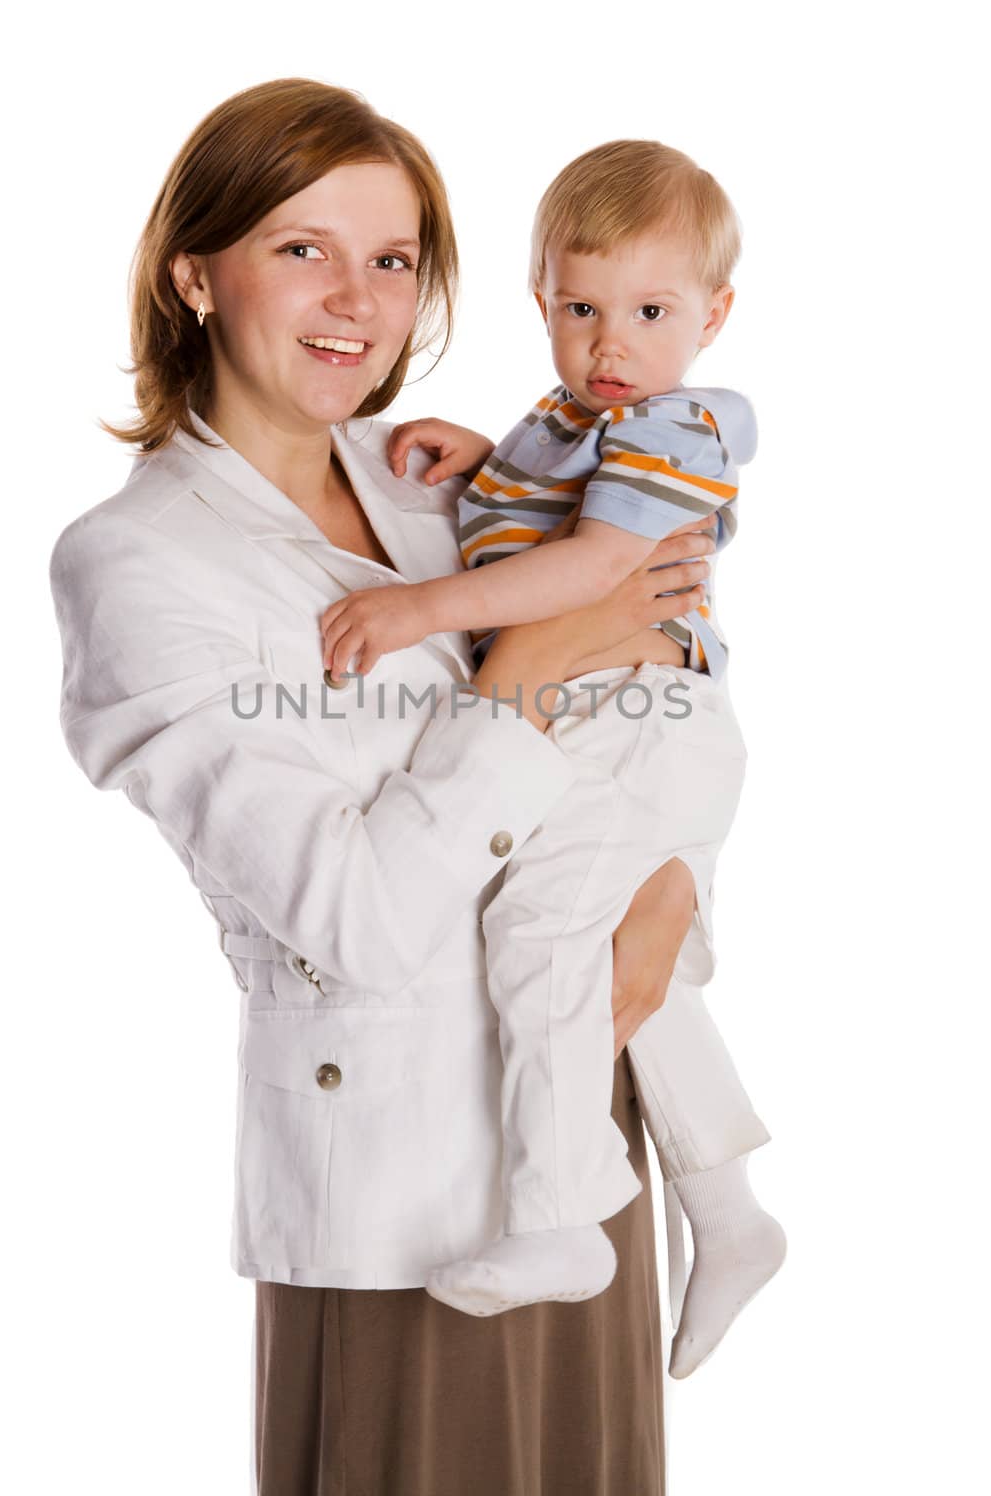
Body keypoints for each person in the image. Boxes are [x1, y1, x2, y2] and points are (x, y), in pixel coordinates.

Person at [49, 77, 719, 1495]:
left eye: (394, 258)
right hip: (399, 1196)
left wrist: (669, 896)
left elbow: (649, 701)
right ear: (194, 273)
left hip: (578, 1140)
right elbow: (346, 918)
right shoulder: (140, 563)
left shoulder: (443, 488)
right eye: (303, 248)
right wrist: (520, 670)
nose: (358, 296)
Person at [319, 140, 786, 1378]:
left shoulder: (678, 423)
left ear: (712, 315)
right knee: (615, 960)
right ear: (540, 301)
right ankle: (729, 1211)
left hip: (631, 707)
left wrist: (422, 615)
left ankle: (563, 1217)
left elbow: (593, 569)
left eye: (647, 311)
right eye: (578, 309)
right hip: (617, 708)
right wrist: (488, 464)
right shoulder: (580, 422)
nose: (608, 341)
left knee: (532, 936)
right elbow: (559, 516)